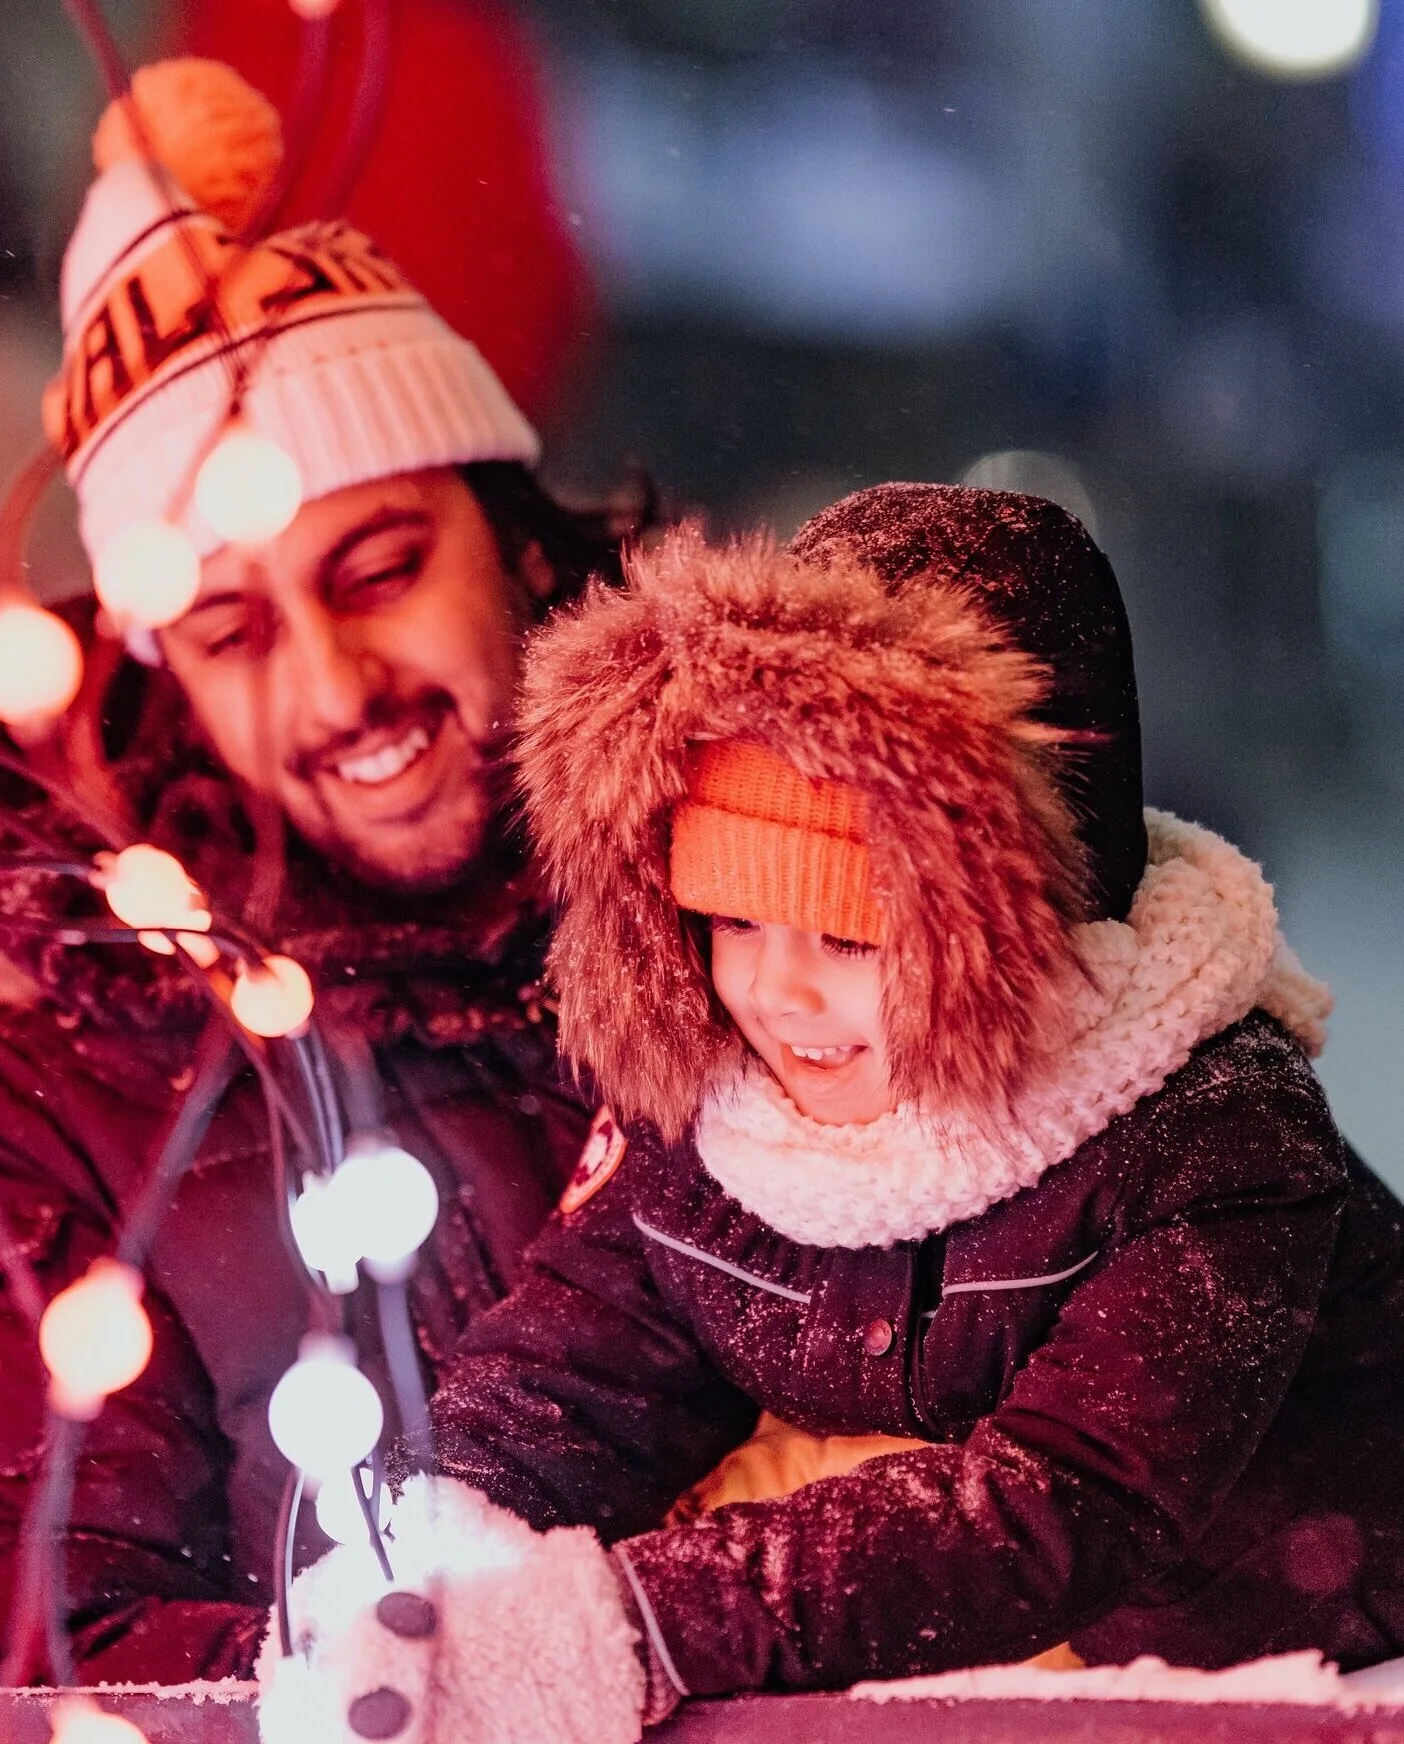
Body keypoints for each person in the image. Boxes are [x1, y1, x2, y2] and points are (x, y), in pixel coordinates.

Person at [260, 485, 1404, 1741]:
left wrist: (634, 1623)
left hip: (1264, 1654)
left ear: (1010, 928)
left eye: (850, 934)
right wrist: (421, 1556)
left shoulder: (1215, 1134)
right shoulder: (723, 1109)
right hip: (920, 1608)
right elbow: (572, 1368)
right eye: (733, 920)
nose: (778, 990)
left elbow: (1064, 1504)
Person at [0, 59, 635, 1685]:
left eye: (385, 567)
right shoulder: (74, 1070)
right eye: (234, 630)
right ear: (166, 677)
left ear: (520, 538)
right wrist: (450, 1677)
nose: (339, 690)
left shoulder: (777, 871)